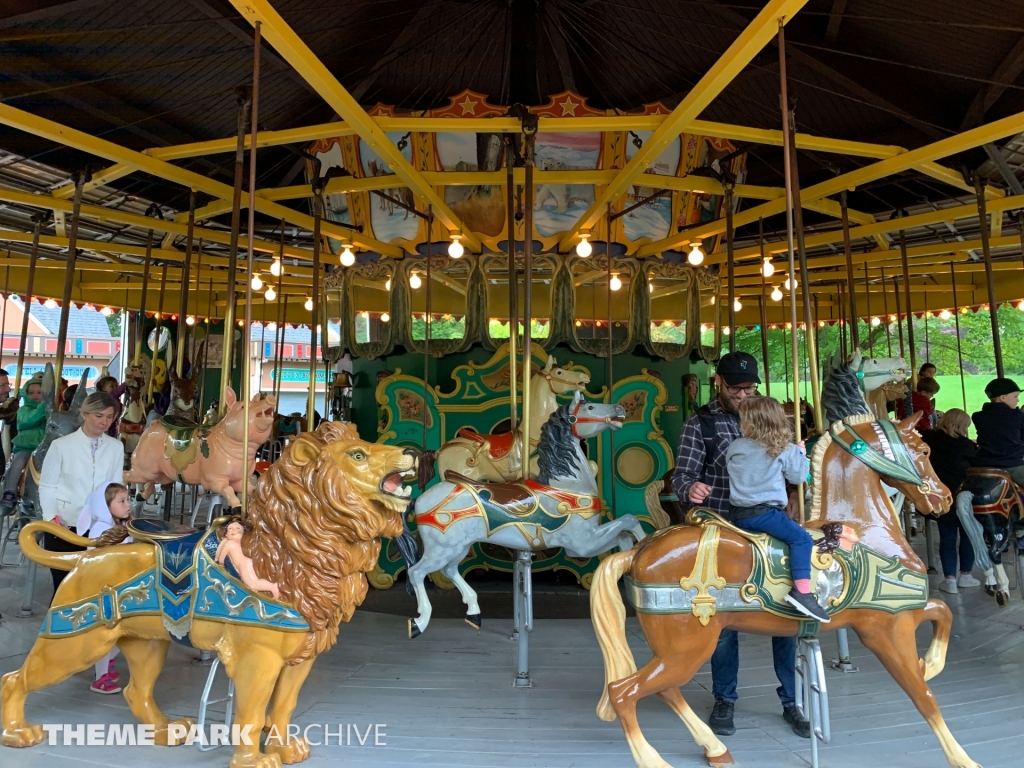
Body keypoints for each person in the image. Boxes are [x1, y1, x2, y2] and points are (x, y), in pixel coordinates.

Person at [671, 351, 808, 739]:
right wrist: (689, 487)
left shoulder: (769, 416)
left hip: (769, 524)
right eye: (737, 388)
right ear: (719, 382)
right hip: (724, 526)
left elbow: (791, 468)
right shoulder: (702, 423)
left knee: (784, 607)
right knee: (725, 617)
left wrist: (793, 494)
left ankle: (791, 699)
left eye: (750, 388)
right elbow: (682, 474)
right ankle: (725, 698)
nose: (745, 395)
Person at [727, 397, 829, 622]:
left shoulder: (736, 446)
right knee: (802, 539)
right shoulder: (785, 449)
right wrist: (800, 456)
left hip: (736, 514)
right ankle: (802, 592)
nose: (740, 423)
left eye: (743, 419)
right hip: (765, 514)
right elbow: (800, 477)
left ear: (752, 423)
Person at [38, 392, 125, 593]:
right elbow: (47, 485)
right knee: (63, 587)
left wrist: (119, 516)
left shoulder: (116, 447)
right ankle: (59, 623)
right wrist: (51, 518)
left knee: (95, 585)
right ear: (85, 414)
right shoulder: (61, 445)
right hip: (64, 524)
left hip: (101, 527)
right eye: (99, 415)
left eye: (110, 417)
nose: (104, 422)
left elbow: (116, 485)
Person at [76, 481, 132, 693]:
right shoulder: (101, 530)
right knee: (107, 633)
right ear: (105, 506)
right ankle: (101, 678)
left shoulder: (120, 527)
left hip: (119, 586)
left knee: (126, 632)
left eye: (127, 500)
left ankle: (106, 662)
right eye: (122, 501)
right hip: (105, 589)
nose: (128, 505)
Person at [921, 410, 979, 594]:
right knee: (968, 535)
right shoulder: (966, 446)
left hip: (940, 495)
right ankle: (966, 575)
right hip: (963, 495)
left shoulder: (931, 438)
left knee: (947, 537)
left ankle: (949, 580)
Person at [1, 376, 46, 510]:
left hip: (44, 445)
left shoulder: (48, 411)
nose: (35, 396)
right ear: (25, 394)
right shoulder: (23, 410)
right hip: (26, 445)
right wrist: (43, 407)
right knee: (19, 461)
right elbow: (29, 420)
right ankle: (10, 491)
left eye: (39, 392)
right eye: (31, 393)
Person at [972, 377, 1024, 486]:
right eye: (1015, 396)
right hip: (1011, 464)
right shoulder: (1016, 415)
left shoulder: (978, 416)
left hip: (984, 464)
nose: (1017, 400)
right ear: (1003, 397)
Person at [215, 517, 280, 599]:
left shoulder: (229, 543)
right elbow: (223, 543)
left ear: (243, 532)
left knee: (252, 584)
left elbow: (221, 557)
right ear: (226, 534)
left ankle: (272, 587)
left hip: (244, 565)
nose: (233, 530)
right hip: (247, 562)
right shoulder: (235, 541)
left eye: (237, 528)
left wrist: (220, 564)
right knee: (249, 584)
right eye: (230, 529)